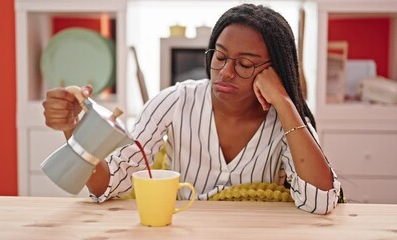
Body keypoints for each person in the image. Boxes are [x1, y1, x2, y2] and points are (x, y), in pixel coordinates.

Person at [43, 4, 341, 214]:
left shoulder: (284, 121)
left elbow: (320, 201)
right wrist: (76, 131)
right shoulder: (174, 101)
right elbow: (109, 185)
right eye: (220, 56)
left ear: (272, 72)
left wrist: (286, 102)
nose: (225, 72)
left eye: (246, 64)